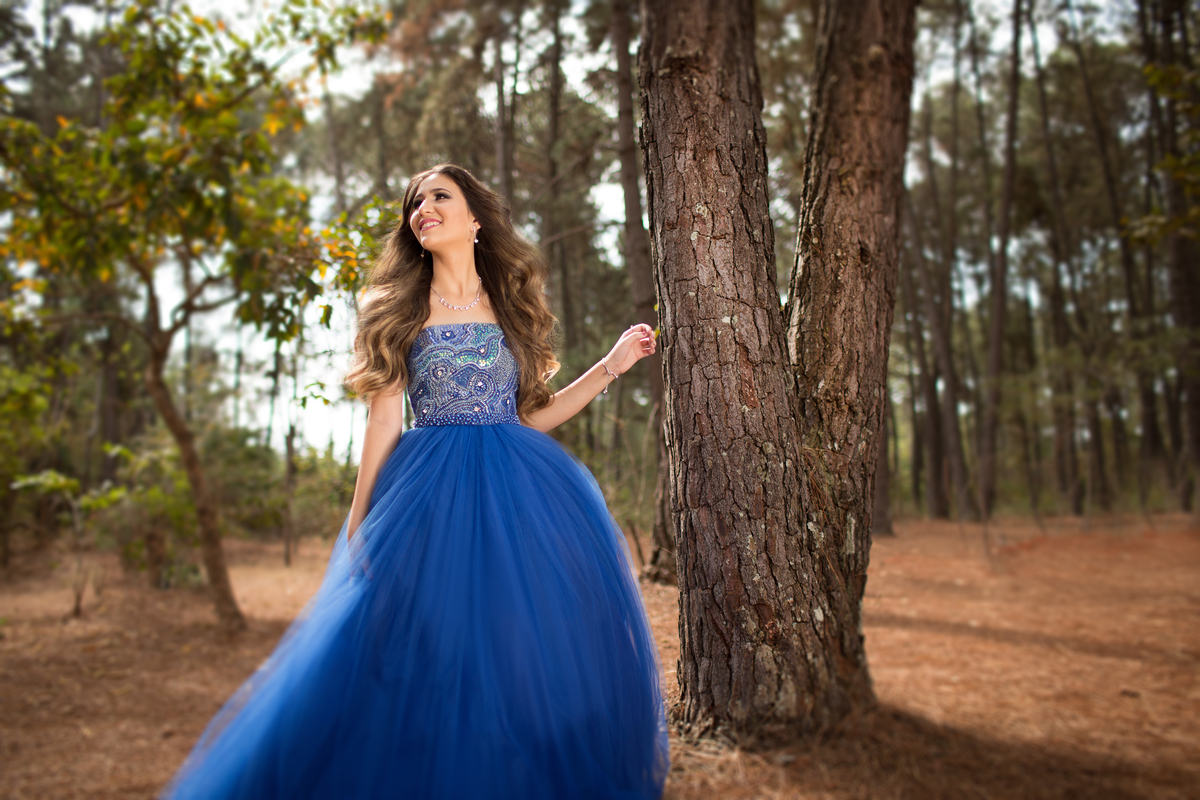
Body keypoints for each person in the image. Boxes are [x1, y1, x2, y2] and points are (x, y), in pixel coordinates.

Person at [161, 164, 670, 800]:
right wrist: (359, 523)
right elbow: (382, 421)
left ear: (475, 218)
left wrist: (611, 365)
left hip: (517, 494)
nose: (422, 209)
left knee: (514, 650)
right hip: (430, 494)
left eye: (439, 197)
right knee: (422, 646)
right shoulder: (396, 307)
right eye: (415, 203)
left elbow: (529, 417)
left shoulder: (509, 306)